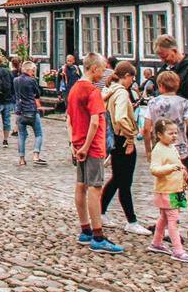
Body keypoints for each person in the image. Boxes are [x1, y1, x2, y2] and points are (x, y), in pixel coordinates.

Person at [67, 53, 123, 254]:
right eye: (102, 69)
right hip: (92, 147)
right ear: (94, 68)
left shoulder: (74, 89)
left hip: (79, 144)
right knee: (95, 188)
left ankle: (85, 230)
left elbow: (69, 119)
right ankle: (98, 236)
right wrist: (86, 146)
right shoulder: (92, 91)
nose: (104, 72)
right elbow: (94, 122)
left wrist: (74, 144)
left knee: (81, 186)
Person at [155, 34, 188, 245]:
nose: (162, 60)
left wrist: (177, 103)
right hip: (166, 138)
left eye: (164, 55)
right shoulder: (164, 70)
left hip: (184, 135)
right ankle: (169, 222)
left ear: (174, 50)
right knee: (168, 181)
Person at [143, 71, 188, 247]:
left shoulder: (153, 102)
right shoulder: (184, 103)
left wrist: (148, 150)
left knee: (164, 188)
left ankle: (167, 223)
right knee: (178, 188)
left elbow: (146, 129)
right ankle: (173, 222)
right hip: (180, 151)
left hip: (161, 151)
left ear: (160, 86)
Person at [100, 62, 151, 236]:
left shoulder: (109, 90)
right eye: (132, 78)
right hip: (122, 139)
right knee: (125, 182)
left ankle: (101, 212)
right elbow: (121, 117)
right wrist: (130, 137)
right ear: (127, 76)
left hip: (114, 139)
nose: (132, 81)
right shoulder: (121, 93)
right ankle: (132, 221)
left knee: (116, 179)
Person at [148, 118, 188, 263]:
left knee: (164, 217)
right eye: (170, 133)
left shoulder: (171, 147)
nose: (174, 136)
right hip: (167, 190)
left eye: (175, 133)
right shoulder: (158, 150)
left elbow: (177, 162)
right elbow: (154, 169)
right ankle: (178, 250)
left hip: (176, 188)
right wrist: (171, 168)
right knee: (173, 220)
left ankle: (156, 242)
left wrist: (182, 169)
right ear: (159, 135)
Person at [14, 61, 46, 166]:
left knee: (21, 135)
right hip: (31, 110)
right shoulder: (32, 81)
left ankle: (22, 159)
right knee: (39, 134)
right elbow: (38, 94)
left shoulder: (16, 80)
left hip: (19, 111)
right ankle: (36, 155)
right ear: (29, 70)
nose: (33, 73)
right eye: (33, 71)